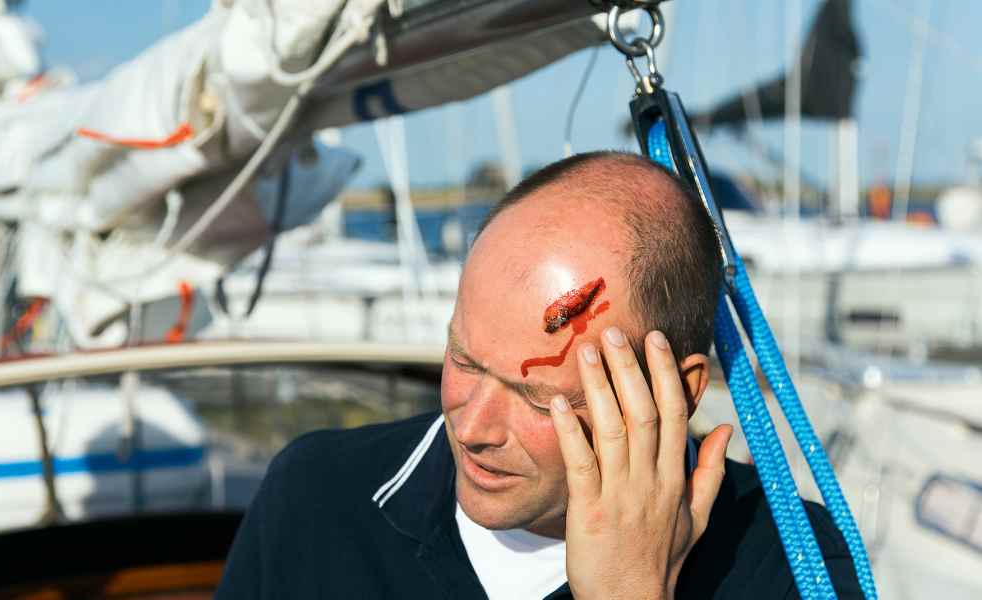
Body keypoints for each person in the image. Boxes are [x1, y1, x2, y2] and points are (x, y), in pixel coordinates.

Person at [215, 151, 864, 599]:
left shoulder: (786, 561)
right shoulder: (317, 497)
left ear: (677, 391)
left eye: (535, 396)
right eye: (464, 360)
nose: (472, 427)